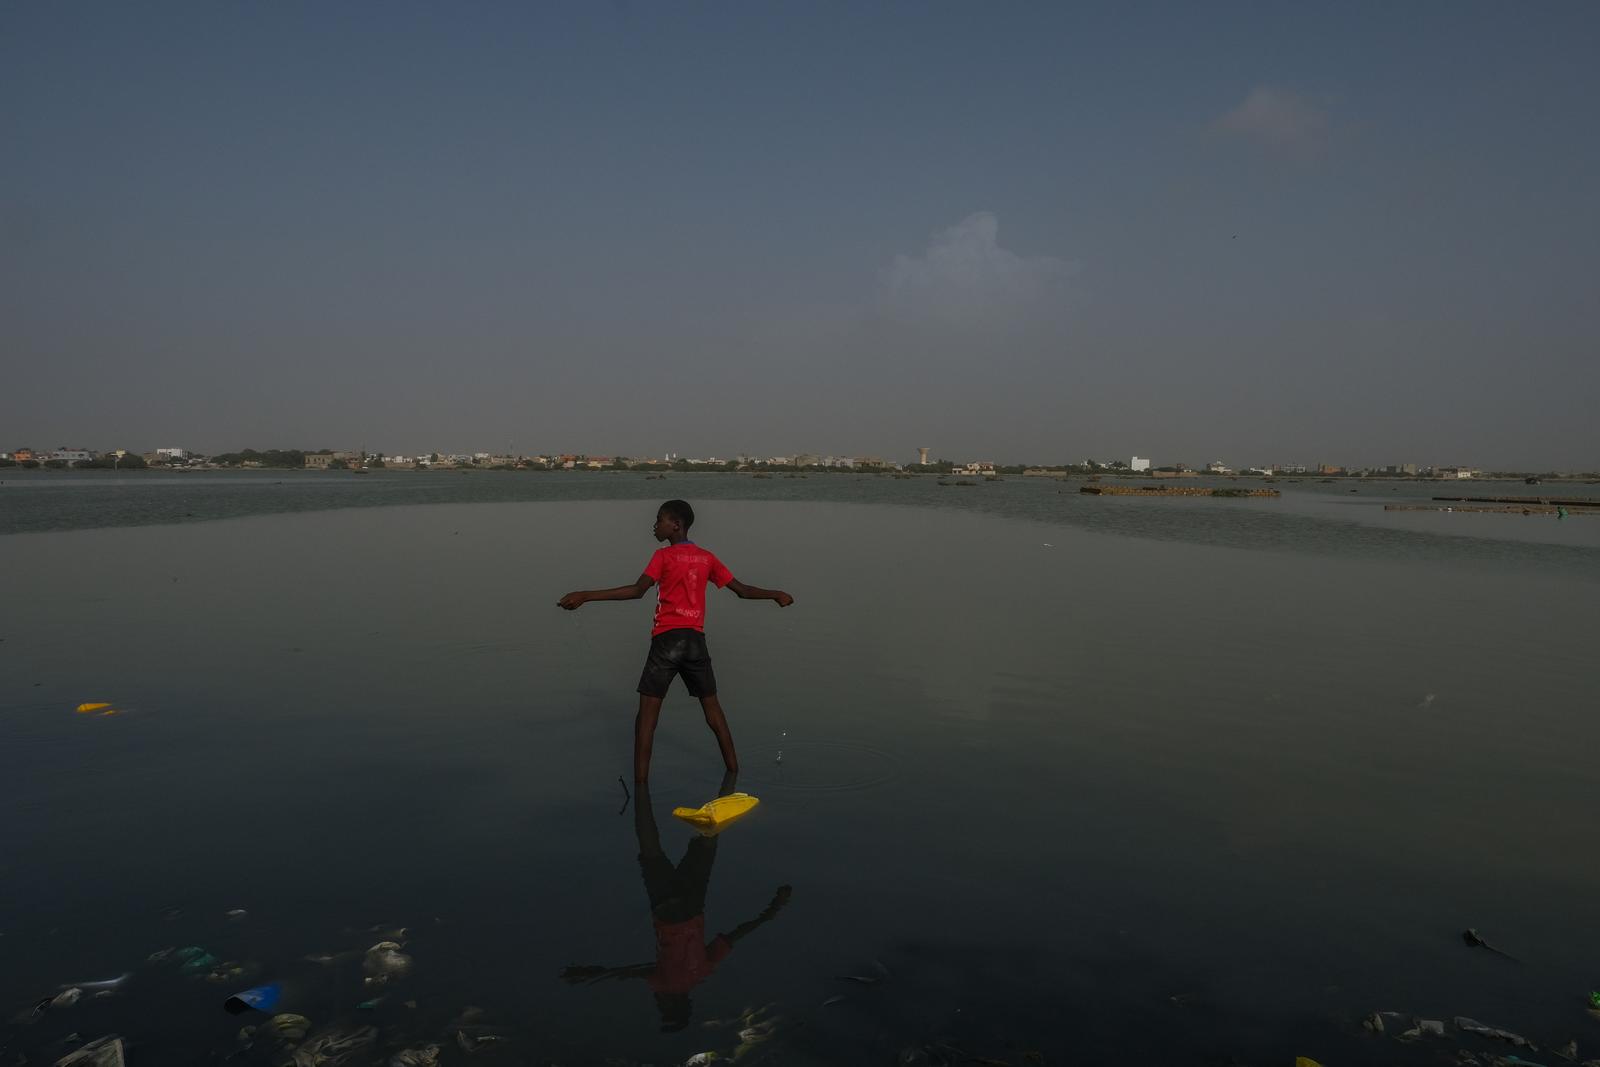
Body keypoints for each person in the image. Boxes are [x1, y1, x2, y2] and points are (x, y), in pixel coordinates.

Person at [557, 499, 793, 783]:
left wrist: (585, 595)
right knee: (713, 713)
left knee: (647, 720)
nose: (654, 526)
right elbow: (742, 591)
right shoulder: (707, 558)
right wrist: (777, 594)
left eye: (659, 520)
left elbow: (637, 591)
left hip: (666, 644)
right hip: (695, 643)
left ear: (676, 525)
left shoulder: (663, 557)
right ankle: (734, 772)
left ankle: (641, 785)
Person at [560, 774, 791, 1031]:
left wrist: (771, 911)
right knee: (650, 848)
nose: (659, 1004)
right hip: (668, 907)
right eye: (663, 1009)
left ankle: (726, 789)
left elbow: (735, 936)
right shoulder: (664, 984)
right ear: (672, 1004)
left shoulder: (702, 972)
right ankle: (643, 798)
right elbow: (631, 972)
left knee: (707, 839)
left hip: (691, 902)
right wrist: (592, 974)